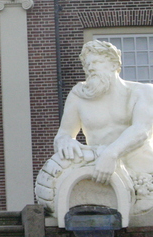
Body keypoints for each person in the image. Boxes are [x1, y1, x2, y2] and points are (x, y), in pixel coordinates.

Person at [53, 40, 153, 213]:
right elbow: (64, 134)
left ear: (114, 64)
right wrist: (65, 142)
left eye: (97, 62)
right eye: (87, 64)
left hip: (142, 177)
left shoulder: (142, 92)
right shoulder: (78, 95)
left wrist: (111, 153)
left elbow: (142, 129)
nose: (90, 68)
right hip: (101, 178)